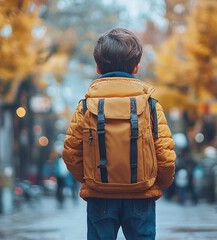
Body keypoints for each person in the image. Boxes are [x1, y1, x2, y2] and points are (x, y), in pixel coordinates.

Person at [62, 27, 176, 240]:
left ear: (98, 67)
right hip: (141, 195)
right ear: (136, 67)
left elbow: (71, 153)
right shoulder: (150, 105)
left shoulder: (86, 106)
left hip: (100, 196)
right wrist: (158, 183)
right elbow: (165, 155)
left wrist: (90, 178)